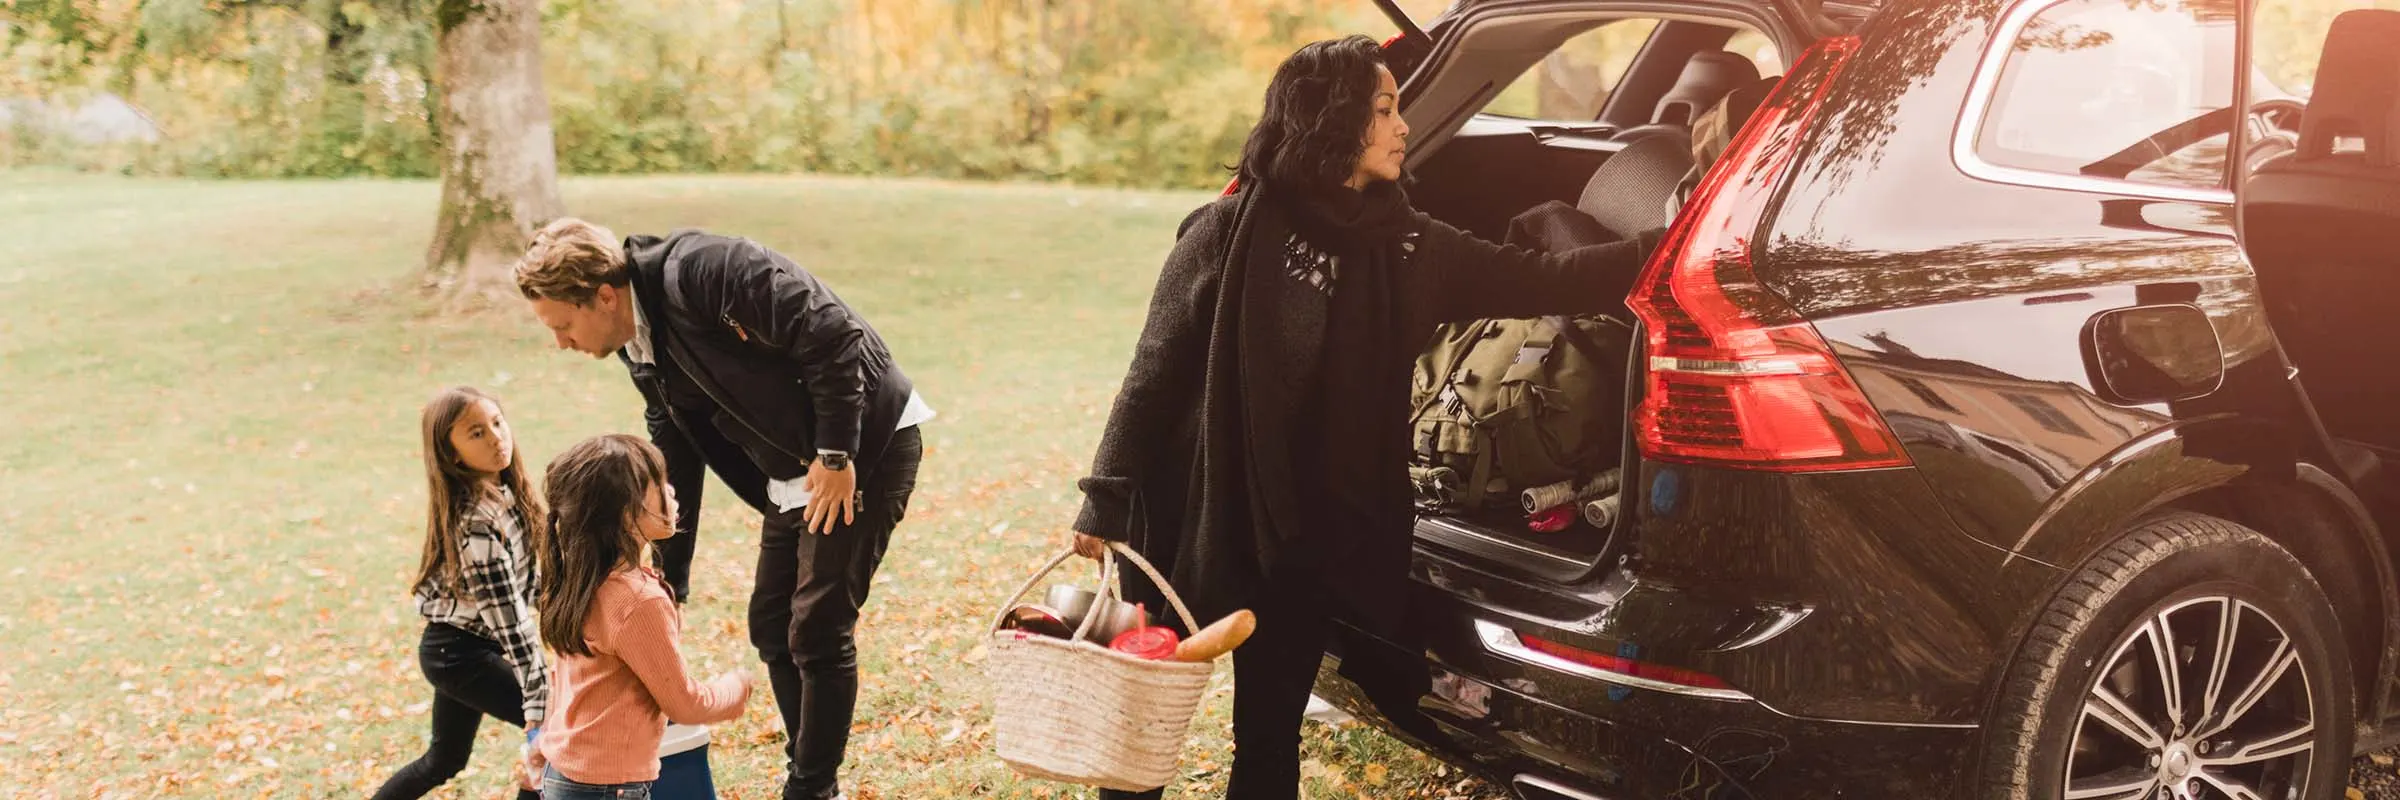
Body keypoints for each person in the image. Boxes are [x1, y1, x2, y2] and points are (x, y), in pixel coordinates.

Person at [1066, 35, 1661, 799]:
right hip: (1197, 511)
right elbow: (1151, 376)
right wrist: (1104, 495)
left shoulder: (1411, 247)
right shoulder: (1221, 235)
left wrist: (1679, 239)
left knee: (1271, 741)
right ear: (1332, 120)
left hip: (1309, 537)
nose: (1403, 127)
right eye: (1385, 109)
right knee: (1140, 726)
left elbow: (1547, 277)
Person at [515, 219, 929, 800]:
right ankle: (810, 775)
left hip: (865, 446)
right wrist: (663, 577)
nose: (560, 342)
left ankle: (811, 789)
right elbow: (673, 445)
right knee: (771, 624)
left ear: (603, 296)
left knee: (816, 626)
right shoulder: (638, 343)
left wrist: (838, 453)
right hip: (793, 465)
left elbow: (832, 332)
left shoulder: (706, 271)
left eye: (562, 324)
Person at [523, 433, 753, 799]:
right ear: (627, 513)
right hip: (604, 788)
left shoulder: (581, 578)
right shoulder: (636, 601)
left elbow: (564, 678)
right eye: (658, 483)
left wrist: (547, 737)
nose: (672, 491)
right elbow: (684, 704)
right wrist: (734, 688)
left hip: (567, 776)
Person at [373, 386, 548, 800]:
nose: (496, 438)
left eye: (497, 423)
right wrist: (541, 700)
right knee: (560, 734)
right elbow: (513, 626)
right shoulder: (476, 525)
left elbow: (527, 585)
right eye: (476, 433)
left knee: (445, 759)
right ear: (452, 455)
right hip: (459, 656)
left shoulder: (509, 497)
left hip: (460, 652)